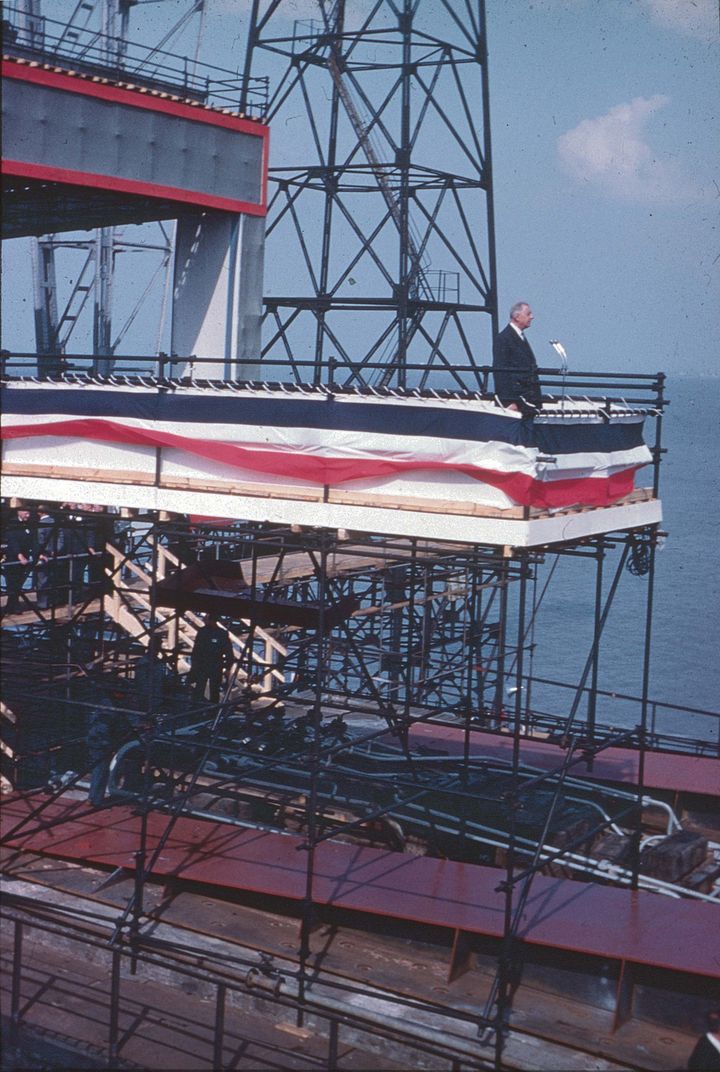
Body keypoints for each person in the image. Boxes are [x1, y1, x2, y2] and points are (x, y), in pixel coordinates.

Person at [492, 301, 542, 416]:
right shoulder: (504, 339)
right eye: (528, 314)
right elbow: (500, 371)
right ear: (517, 316)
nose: (532, 317)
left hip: (527, 400)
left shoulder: (520, 337)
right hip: (517, 402)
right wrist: (509, 401)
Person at [188, 613, 234, 704]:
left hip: (214, 665)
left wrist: (228, 667)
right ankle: (197, 707)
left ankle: (212, 710)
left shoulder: (221, 633)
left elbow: (228, 651)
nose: (205, 621)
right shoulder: (202, 632)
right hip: (203, 665)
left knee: (214, 690)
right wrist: (194, 666)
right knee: (200, 688)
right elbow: (196, 650)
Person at [2, 508, 34, 615]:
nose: (28, 515)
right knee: (12, 582)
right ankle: (12, 606)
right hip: (13, 558)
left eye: (29, 513)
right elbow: (13, 541)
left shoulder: (28, 525)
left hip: (24, 557)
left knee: (18, 582)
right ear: (19, 512)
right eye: (26, 513)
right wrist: (19, 556)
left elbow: (33, 541)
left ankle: (12, 605)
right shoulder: (13, 524)